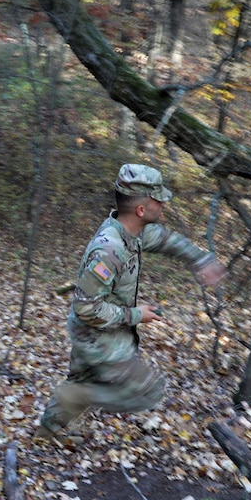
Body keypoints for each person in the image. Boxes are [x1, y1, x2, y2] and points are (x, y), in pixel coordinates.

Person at [35, 163, 226, 444]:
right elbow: (85, 307)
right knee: (148, 392)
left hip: (96, 330)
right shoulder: (109, 249)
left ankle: (47, 433)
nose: (162, 206)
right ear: (141, 209)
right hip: (98, 334)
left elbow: (166, 240)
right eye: (158, 201)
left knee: (80, 380)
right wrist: (137, 314)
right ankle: (76, 399)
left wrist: (202, 260)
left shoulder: (132, 232)